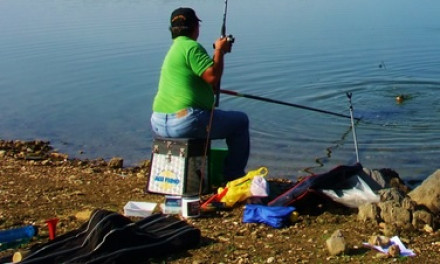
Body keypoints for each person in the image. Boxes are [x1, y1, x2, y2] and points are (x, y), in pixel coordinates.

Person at [150, 7, 249, 182]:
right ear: (195, 27)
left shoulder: (175, 49)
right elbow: (212, 76)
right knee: (240, 122)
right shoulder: (191, 47)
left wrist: (219, 55)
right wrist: (219, 51)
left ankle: (198, 174)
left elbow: (200, 81)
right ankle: (234, 176)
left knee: (211, 119)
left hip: (159, 122)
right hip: (183, 122)